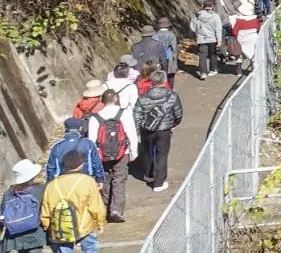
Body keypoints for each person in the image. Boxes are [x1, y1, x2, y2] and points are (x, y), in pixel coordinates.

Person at [41, 149, 105, 253]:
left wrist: (46, 225)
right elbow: (95, 205)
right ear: (81, 164)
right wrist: (100, 222)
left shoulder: (52, 185)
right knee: (90, 251)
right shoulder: (87, 181)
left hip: (61, 228)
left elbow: (45, 209)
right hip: (84, 226)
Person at [96, 59, 138, 222]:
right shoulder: (125, 109)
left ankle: (103, 206)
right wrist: (133, 150)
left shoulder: (97, 116)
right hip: (122, 147)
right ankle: (116, 211)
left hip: (102, 150)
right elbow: (131, 132)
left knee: (105, 177)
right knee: (120, 179)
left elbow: (93, 137)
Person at [133, 62, 184, 193]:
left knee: (147, 152)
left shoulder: (142, 98)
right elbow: (178, 114)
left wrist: (138, 130)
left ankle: (149, 175)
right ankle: (159, 182)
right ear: (164, 81)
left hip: (147, 128)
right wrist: (173, 124)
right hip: (164, 129)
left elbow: (137, 115)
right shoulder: (172, 96)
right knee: (162, 155)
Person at [3, 159, 46, 253]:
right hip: (34, 231)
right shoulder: (39, 189)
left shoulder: (9, 192)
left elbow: (3, 213)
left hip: (16, 232)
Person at [42, 116, 104, 187]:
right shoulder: (88, 143)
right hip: (86, 180)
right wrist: (100, 179)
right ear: (80, 128)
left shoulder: (56, 146)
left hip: (64, 182)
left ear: (65, 128)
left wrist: (49, 183)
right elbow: (96, 163)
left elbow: (51, 168)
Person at [132, 18, 175, 86]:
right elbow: (163, 60)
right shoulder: (158, 44)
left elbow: (134, 62)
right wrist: (165, 71)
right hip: (155, 72)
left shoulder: (135, 46)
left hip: (141, 74)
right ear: (152, 33)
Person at [190, 0, 223, 80]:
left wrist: (197, 31)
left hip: (201, 39)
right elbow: (218, 29)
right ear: (212, 6)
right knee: (213, 54)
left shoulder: (197, 16)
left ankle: (203, 73)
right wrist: (219, 41)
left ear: (203, 6)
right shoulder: (215, 16)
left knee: (202, 56)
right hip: (212, 38)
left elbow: (192, 27)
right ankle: (213, 69)